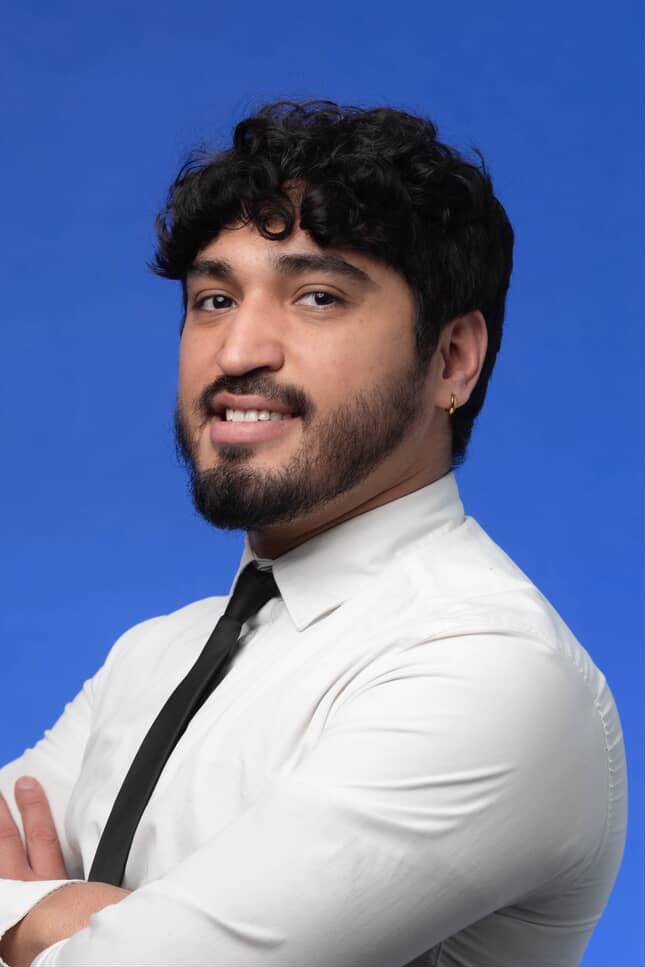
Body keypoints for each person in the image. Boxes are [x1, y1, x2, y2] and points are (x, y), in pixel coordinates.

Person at [0, 100, 626, 967]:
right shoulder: (151, 656)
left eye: (317, 295)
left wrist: (32, 917)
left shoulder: (489, 669)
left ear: (450, 360)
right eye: (214, 299)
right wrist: (72, 921)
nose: (237, 350)